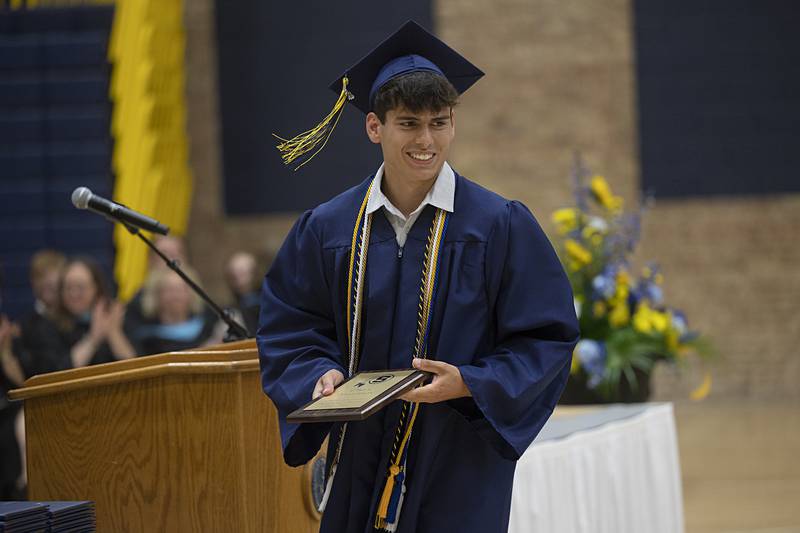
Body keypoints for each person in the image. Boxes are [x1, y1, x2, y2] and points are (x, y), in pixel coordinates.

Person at [257, 21, 579, 533]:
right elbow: (290, 327)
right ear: (374, 127)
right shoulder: (328, 229)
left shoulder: (498, 226)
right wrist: (315, 374)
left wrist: (471, 382)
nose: (426, 141)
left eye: (440, 122)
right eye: (408, 123)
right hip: (357, 460)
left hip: (459, 460)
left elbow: (546, 337)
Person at [133, 267, 224, 355]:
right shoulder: (147, 339)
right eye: (169, 290)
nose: (176, 296)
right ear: (156, 296)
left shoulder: (209, 327)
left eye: (181, 289)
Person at [224, 251, 262, 336]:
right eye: (233, 274)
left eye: (242, 272)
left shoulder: (269, 300)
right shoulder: (231, 309)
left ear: (254, 272)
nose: (237, 278)